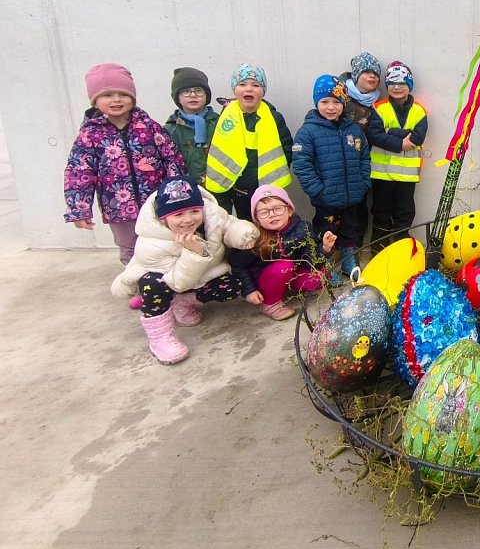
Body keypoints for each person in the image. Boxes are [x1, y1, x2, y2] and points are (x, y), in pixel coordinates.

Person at [110, 176, 258, 364]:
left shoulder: (212, 215)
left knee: (234, 285)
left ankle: (182, 303)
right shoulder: (150, 243)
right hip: (170, 281)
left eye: (194, 211)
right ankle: (160, 338)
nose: (188, 220)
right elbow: (179, 283)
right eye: (178, 214)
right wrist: (194, 252)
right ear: (163, 218)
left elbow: (230, 224)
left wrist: (244, 233)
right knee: (153, 284)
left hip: (197, 276)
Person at [64, 63, 185, 265]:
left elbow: (172, 158)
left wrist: (177, 195)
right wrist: (79, 209)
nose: (117, 99)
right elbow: (79, 172)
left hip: (156, 203)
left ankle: (164, 279)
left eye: (123, 94)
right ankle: (136, 278)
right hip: (118, 207)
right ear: (95, 101)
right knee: (129, 247)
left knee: (164, 242)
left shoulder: (149, 127)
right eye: (107, 95)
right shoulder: (89, 135)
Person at [293, 74, 371, 280]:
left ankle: (349, 263)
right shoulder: (307, 132)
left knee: (350, 231)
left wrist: (363, 182)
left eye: (336, 102)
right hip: (326, 200)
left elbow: (364, 157)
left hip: (352, 196)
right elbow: (302, 165)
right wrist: (317, 190)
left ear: (344, 104)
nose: (330, 107)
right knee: (325, 233)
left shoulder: (353, 130)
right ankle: (325, 268)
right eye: (324, 102)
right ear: (316, 103)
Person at [227, 185, 335, 321]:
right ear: (257, 218)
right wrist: (249, 290)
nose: (272, 214)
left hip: (290, 275)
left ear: (289, 210)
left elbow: (310, 262)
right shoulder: (254, 237)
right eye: (264, 212)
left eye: (277, 208)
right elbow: (238, 265)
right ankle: (270, 304)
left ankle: (287, 290)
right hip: (263, 280)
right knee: (285, 266)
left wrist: (325, 248)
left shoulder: (303, 228)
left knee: (322, 276)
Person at [205, 64, 294, 221]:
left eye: (256, 85)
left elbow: (287, 146)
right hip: (237, 187)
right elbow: (217, 146)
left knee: (269, 222)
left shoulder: (274, 118)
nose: (249, 89)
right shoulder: (226, 117)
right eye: (242, 84)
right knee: (245, 222)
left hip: (267, 186)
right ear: (234, 90)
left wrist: (276, 172)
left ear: (263, 91)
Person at [365, 60, 427, 249]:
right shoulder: (378, 108)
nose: (397, 87)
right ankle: (378, 248)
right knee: (380, 212)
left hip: (407, 177)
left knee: (405, 212)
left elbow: (417, 137)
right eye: (392, 83)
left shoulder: (420, 111)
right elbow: (374, 135)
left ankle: (401, 245)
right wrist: (401, 142)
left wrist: (389, 132)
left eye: (401, 83)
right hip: (381, 175)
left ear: (409, 85)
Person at [338, 52, 383, 248]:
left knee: (359, 211)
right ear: (356, 75)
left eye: (376, 73)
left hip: (361, 167)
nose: (372, 76)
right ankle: (334, 253)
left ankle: (354, 251)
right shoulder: (339, 98)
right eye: (366, 71)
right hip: (336, 164)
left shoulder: (377, 104)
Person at [164, 67, 220, 185]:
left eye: (199, 90)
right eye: (186, 91)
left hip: (220, 188)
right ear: (177, 97)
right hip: (187, 190)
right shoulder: (169, 130)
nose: (193, 95)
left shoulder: (219, 123)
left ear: (206, 95)